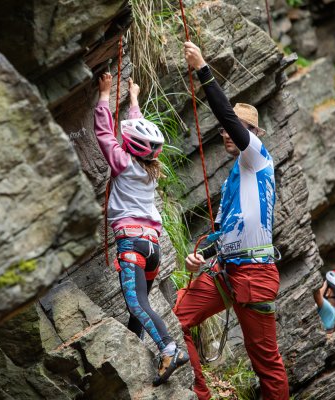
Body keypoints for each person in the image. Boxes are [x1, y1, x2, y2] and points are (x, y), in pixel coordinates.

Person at [173, 41, 289, 400]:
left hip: (254, 275)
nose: (226, 132)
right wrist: (201, 256)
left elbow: (226, 116)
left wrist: (203, 68)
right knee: (176, 315)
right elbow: (223, 232)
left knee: (265, 363)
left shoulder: (257, 157)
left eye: (235, 129)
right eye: (226, 129)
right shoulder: (235, 177)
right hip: (227, 271)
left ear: (252, 134)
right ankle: (200, 394)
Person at [94, 72, 189, 386]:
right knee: (139, 307)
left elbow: (105, 134)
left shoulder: (121, 162)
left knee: (137, 303)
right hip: (152, 248)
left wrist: (105, 94)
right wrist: (133, 99)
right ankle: (131, 349)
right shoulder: (151, 166)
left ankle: (169, 348)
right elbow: (139, 131)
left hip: (132, 243)